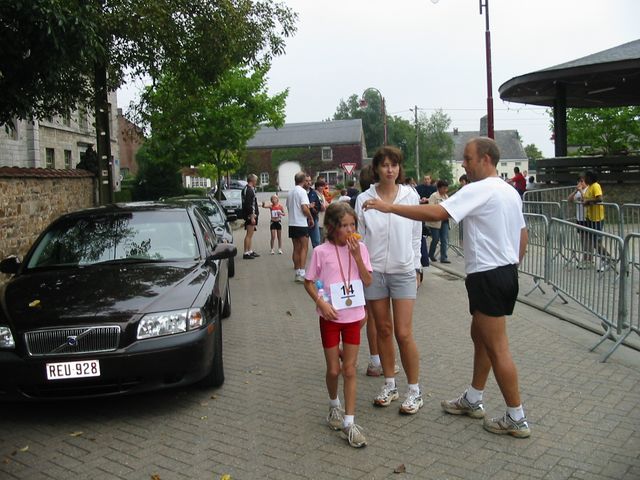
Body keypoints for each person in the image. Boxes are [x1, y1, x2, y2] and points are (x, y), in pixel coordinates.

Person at [362, 137, 531, 438]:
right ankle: (474, 398)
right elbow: (523, 234)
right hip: (502, 273)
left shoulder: (478, 189)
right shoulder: (509, 190)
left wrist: (391, 208)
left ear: (486, 159)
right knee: (479, 337)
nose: (463, 164)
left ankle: (516, 417)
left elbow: (437, 214)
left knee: (497, 347)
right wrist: (511, 267)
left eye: (468, 158)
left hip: (489, 276)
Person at [355, 145, 424, 415]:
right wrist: (361, 269)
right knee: (382, 329)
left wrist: (418, 266)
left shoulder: (410, 195)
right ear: (376, 169)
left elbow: (417, 234)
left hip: (404, 270)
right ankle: (390, 384)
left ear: (399, 168)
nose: (390, 169)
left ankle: (415, 391)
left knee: (403, 332)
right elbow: (358, 238)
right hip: (375, 274)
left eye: (394, 164)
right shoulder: (363, 199)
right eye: (384, 165)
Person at [304, 202, 373, 448]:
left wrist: (357, 257)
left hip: (354, 316)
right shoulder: (321, 251)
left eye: (353, 224)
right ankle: (334, 405)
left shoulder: (360, 248)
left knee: (350, 369)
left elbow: (367, 280)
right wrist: (321, 303)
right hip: (331, 317)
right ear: (332, 228)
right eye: (344, 226)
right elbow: (309, 281)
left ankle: (349, 423)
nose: (349, 230)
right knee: (334, 370)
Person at [286, 172, 314, 282]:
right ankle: (302, 272)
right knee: (304, 247)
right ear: (303, 180)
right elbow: (304, 208)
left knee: (296, 248)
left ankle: (297, 271)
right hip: (301, 223)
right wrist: (310, 217)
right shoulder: (302, 192)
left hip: (292, 223)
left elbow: (288, 206)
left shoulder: (290, 192)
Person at [583, 170, 610, 271]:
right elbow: (588, 200)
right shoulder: (589, 187)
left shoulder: (595, 186)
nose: (584, 179)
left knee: (596, 242)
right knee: (593, 241)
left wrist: (588, 201)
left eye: (586, 177)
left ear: (590, 177)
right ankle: (606, 259)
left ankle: (607, 259)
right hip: (590, 218)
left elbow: (599, 199)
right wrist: (586, 202)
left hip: (597, 218)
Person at [426, 180, 450, 263]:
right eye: (444, 188)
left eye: (446, 188)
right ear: (439, 188)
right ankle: (431, 254)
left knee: (444, 239)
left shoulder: (446, 197)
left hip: (445, 221)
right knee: (435, 239)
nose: (445, 190)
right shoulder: (434, 196)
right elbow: (431, 208)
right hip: (435, 221)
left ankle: (444, 257)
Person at [241, 174, 260, 259]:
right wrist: (252, 216)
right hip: (250, 215)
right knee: (249, 234)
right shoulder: (249, 190)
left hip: (250, 214)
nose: (256, 182)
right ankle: (246, 253)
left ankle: (249, 250)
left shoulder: (247, 189)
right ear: (252, 181)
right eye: (256, 180)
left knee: (250, 234)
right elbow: (249, 204)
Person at [307, 175, 324, 248]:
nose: (308, 183)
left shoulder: (313, 192)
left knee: (317, 242)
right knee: (303, 244)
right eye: (306, 181)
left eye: (309, 181)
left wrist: (316, 208)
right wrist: (308, 206)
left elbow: (318, 205)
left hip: (314, 218)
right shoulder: (300, 192)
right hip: (303, 220)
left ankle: (317, 258)